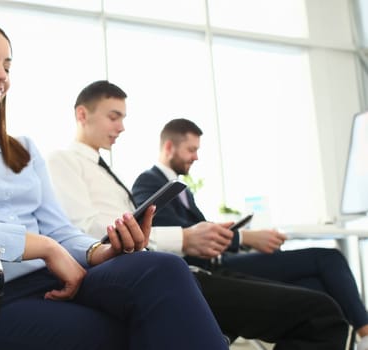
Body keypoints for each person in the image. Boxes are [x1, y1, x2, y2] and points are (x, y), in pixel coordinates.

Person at [0, 17, 229, 349]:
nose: (0, 75)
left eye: (7, 65)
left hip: (68, 278)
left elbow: (58, 228)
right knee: (130, 333)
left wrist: (99, 250)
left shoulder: (23, 150)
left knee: (166, 269)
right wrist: (40, 246)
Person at [46, 79, 352, 349]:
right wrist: (185, 238)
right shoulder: (63, 161)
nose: (122, 127)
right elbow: (85, 230)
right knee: (321, 317)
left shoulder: (108, 172)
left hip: (175, 268)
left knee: (317, 299)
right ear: (82, 114)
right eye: (114, 117)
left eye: (123, 118)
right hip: (154, 272)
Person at [132, 117, 368, 349]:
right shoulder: (149, 181)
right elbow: (171, 231)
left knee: (316, 285)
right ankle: (364, 331)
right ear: (169, 146)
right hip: (210, 267)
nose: (196, 157)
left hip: (219, 260)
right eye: (191, 149)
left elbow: (196, 230)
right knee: (328, 259)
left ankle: (358, 335)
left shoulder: (182, 189)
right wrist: (243, 238)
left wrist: (236, 236)